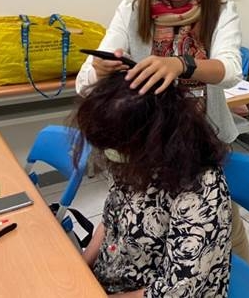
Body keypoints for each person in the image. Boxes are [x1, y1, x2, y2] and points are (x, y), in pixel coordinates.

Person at [75, 0, 249, 264]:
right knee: (144, 224)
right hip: (144, 147)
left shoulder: (221, 13)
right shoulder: (131, 12)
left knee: (216, 224)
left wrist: (181, 64)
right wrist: (99, 69)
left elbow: (230, 70)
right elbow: (85, 81)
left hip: (205, 145)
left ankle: (240, 280)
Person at [75, 73, 231, 297]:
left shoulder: (200, 189)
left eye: (117, 148)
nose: (111, 154)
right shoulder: (136, 162)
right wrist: (79, 269)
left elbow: (175, 291)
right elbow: (110, 222)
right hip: (112, 282)